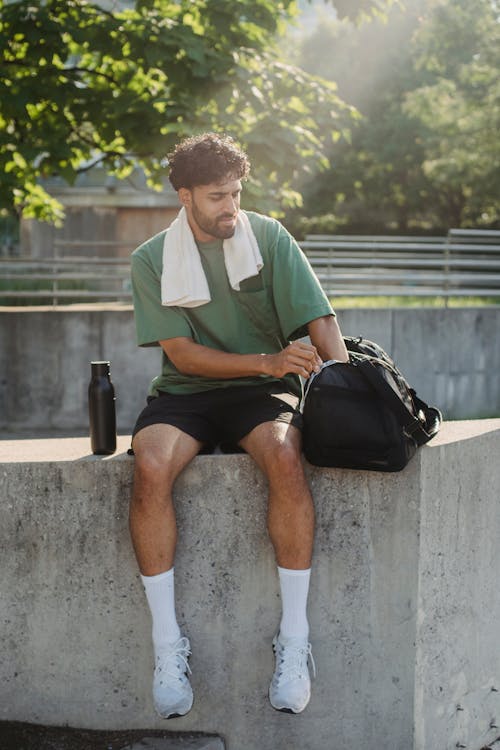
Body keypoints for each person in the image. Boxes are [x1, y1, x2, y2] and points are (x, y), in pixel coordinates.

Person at [129, 132, 349, 719]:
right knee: (149, 465)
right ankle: (167, 647)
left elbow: (319, 320)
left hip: (263, 392)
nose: (231, 206)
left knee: (283, 455)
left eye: (237, 192)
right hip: (189, 391)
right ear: (185, 197)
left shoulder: (269, 237)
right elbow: (182, 355)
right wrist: (270, 359)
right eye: (217, 196)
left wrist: (350, 387)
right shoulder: (151, 259)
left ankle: (294, 641)